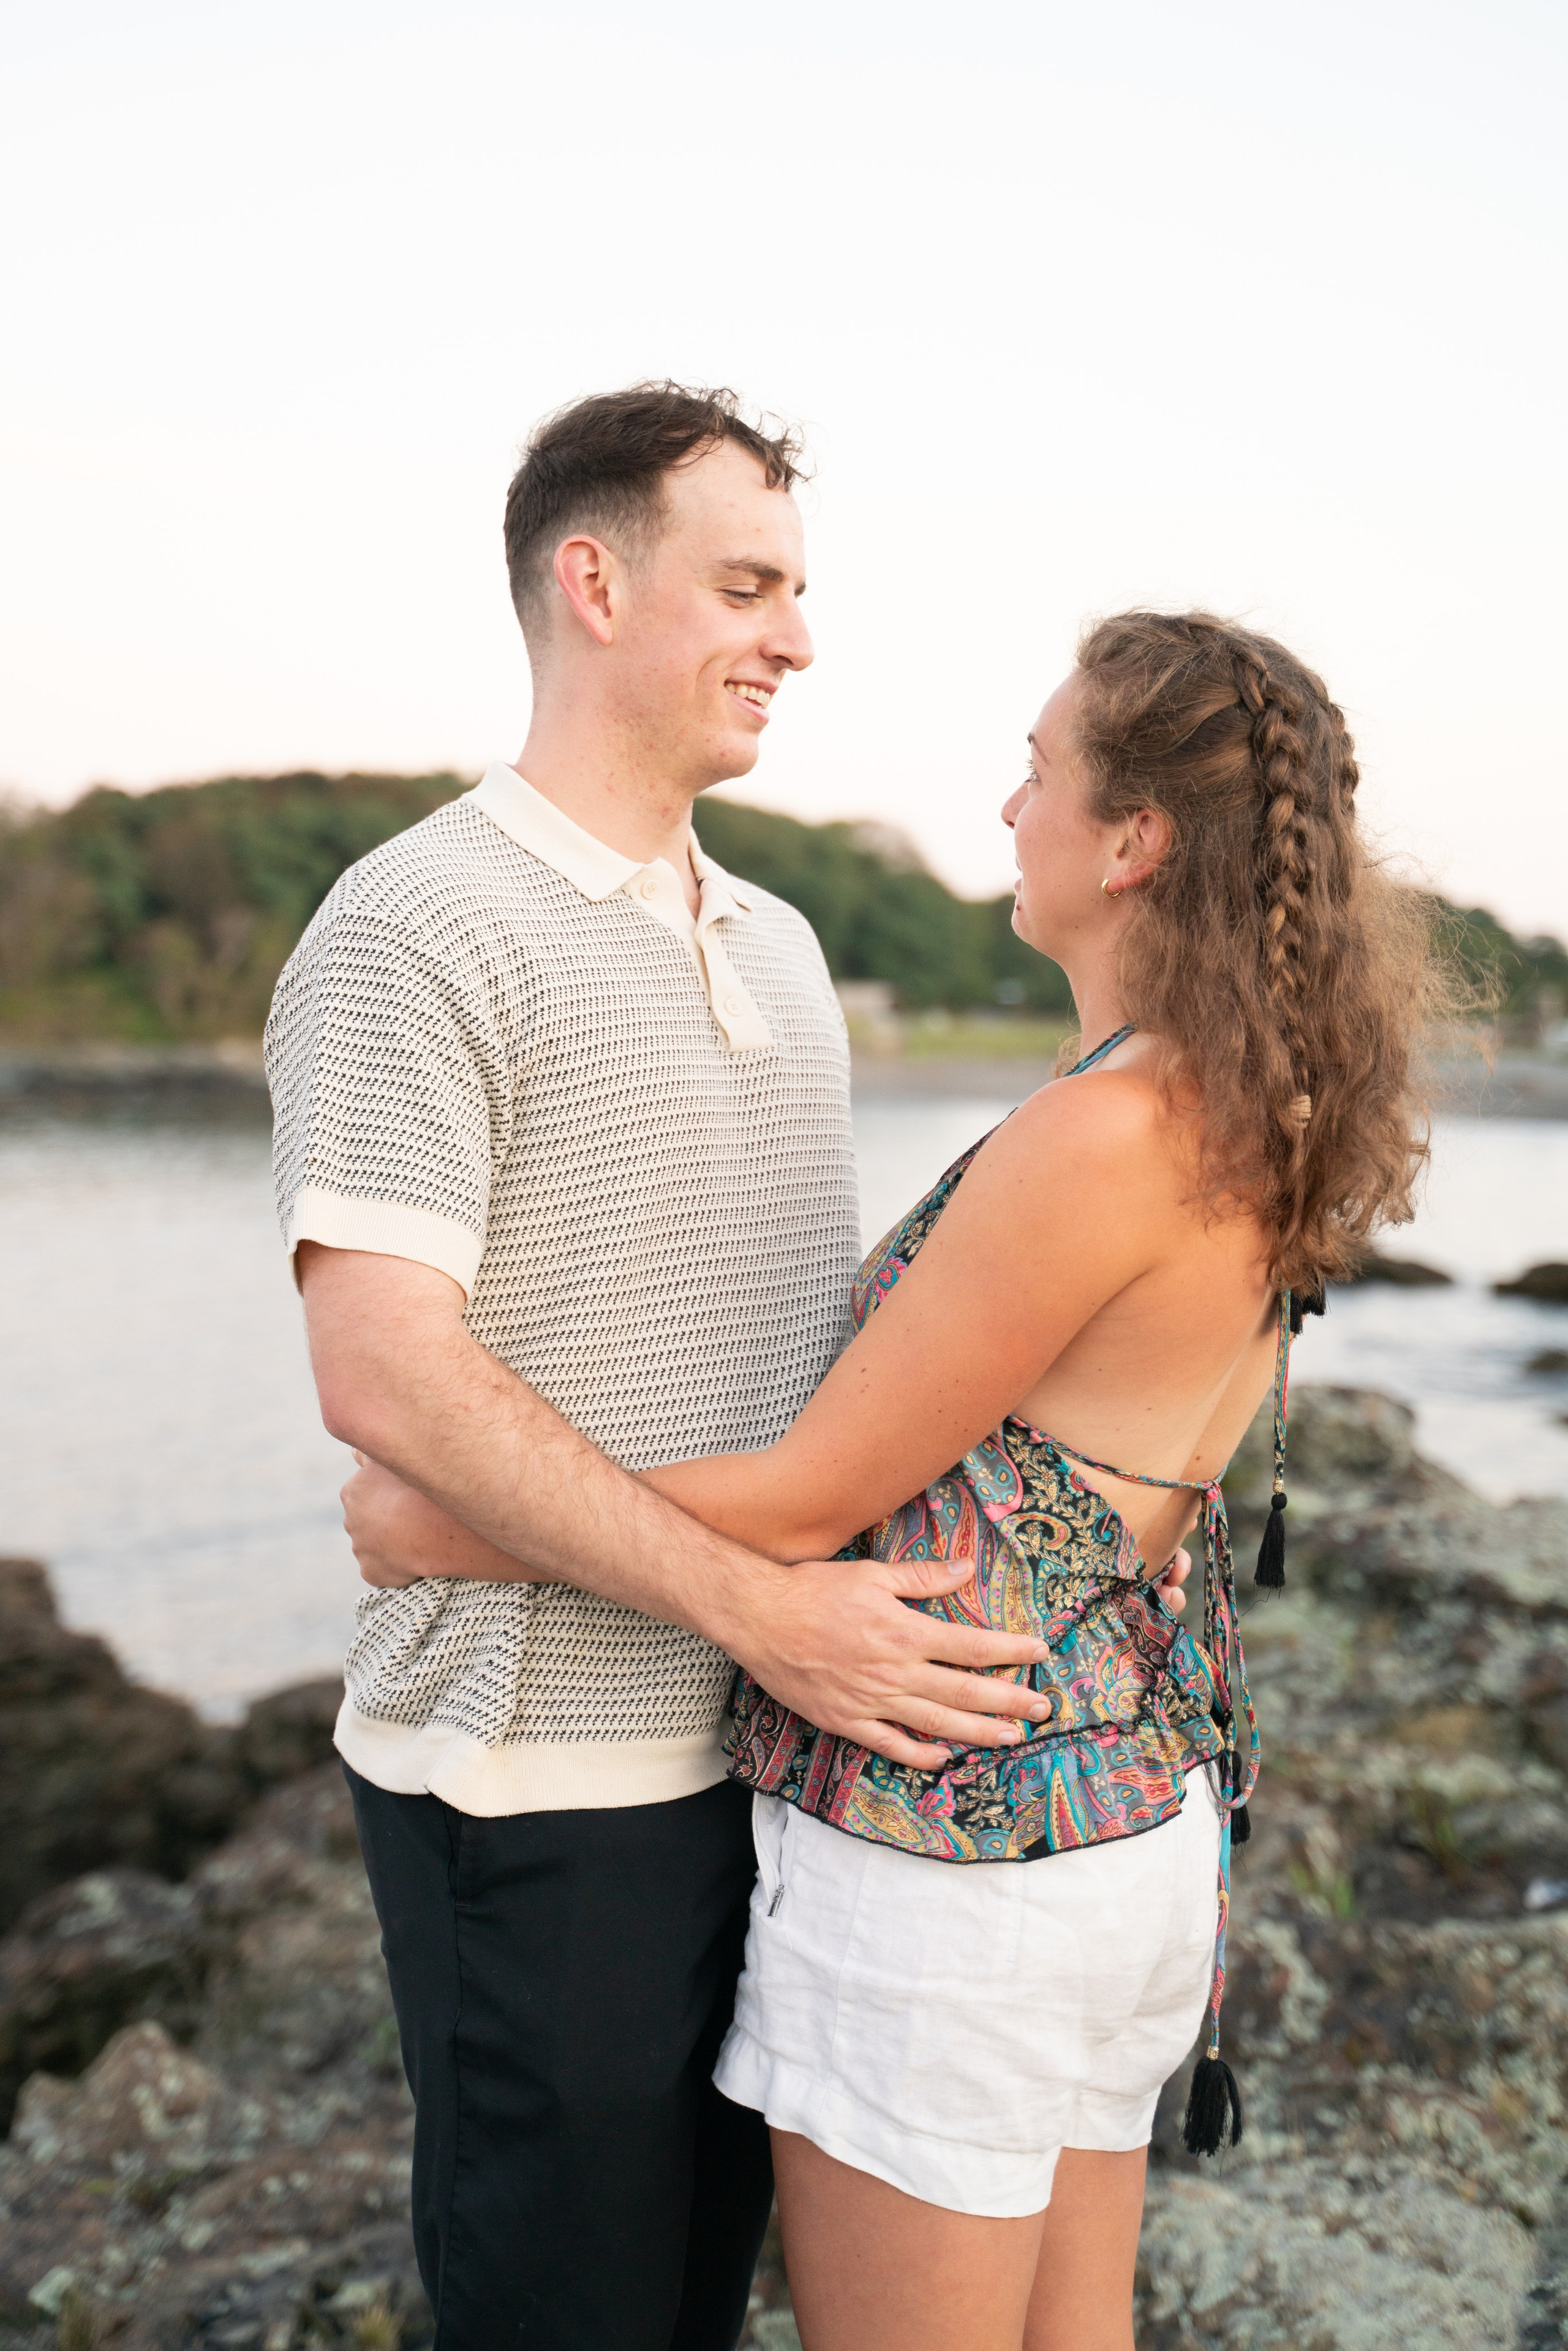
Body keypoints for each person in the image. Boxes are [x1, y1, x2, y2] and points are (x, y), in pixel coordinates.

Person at [345, 611, 1440, 2350]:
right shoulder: (1246, 1100)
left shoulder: (1103, 1133)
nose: (1010, 809)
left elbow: (801, 1496)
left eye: (1038, 771)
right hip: (1125, 1822)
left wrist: (440, 1523)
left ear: (1135, 838)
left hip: (959, 1861)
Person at [266, 382, 1052, 2351]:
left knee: (700, 2306)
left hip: (784, 1767)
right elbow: (386, 1376)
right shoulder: (410, 927)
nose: (797, 637)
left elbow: (807, 1343)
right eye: (751, 585)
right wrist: (765, 1607)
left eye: (798, 590)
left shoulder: (783, 941)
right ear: (593, 580)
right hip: (544, 1791)